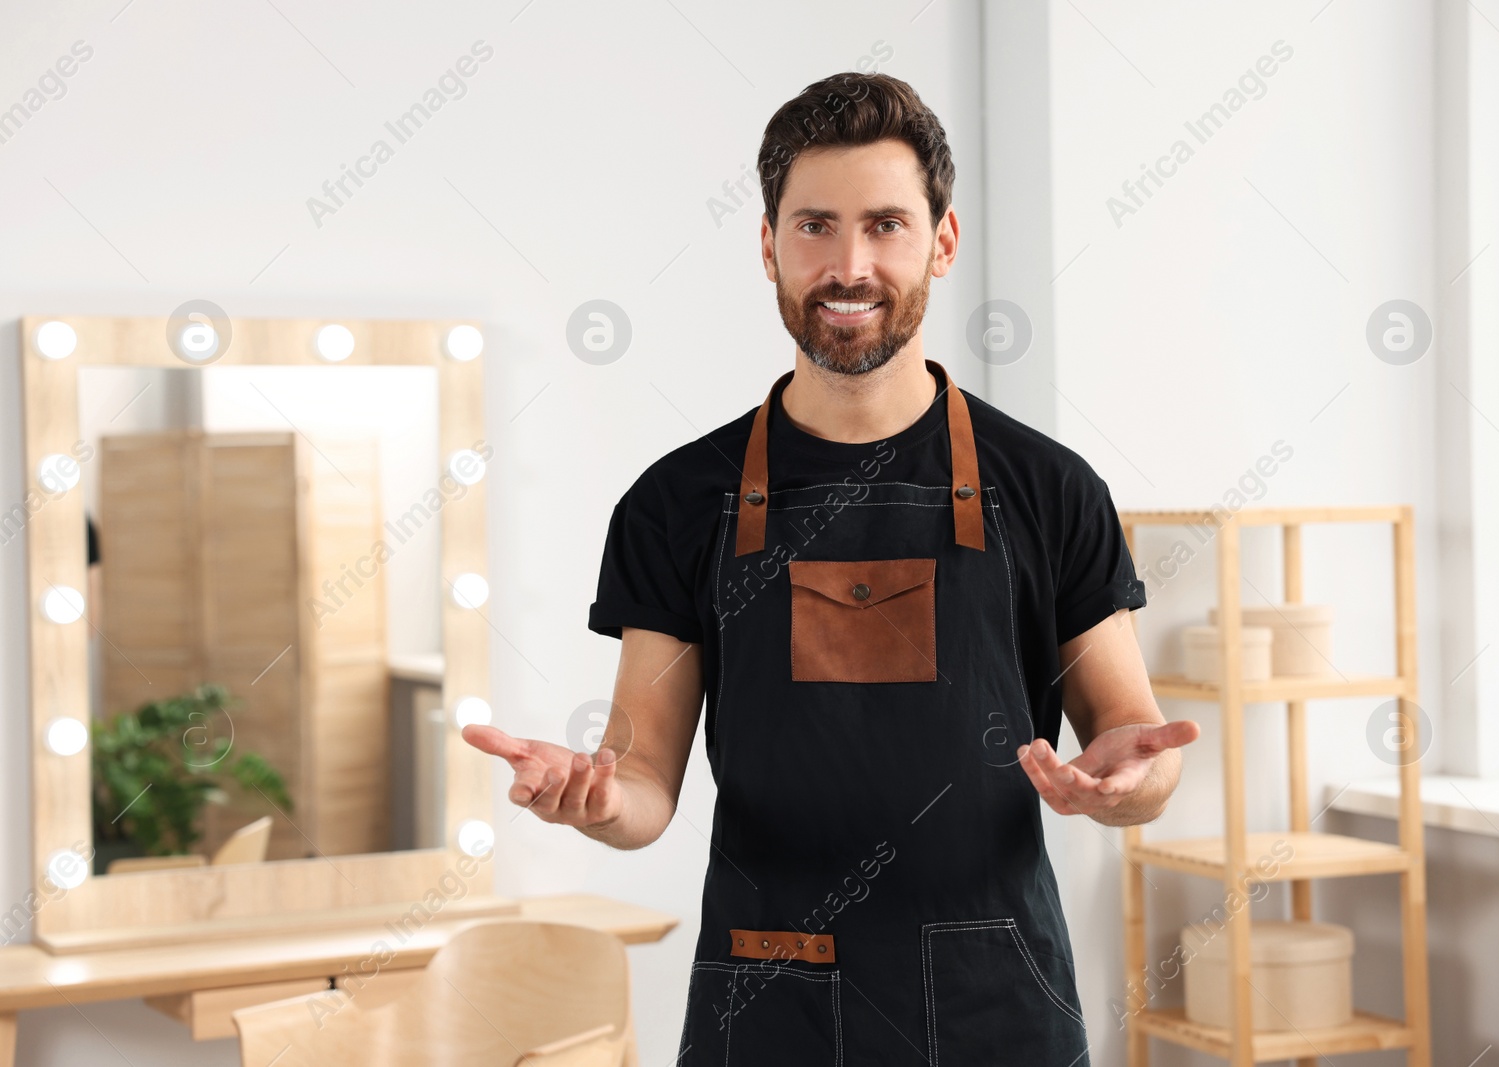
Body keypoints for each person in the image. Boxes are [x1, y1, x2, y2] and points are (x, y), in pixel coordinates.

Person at [465, 70, 1199, 1065]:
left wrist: (1133, 783)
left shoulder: (1049, 487)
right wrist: (591, 799)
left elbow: (1129, 735)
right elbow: (642, 782)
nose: (849, 264)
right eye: (814, 225)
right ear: (767, 244)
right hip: (770, 992)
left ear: (940, 241)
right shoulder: (678, 501)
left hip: (998, 997)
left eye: (885, 224)